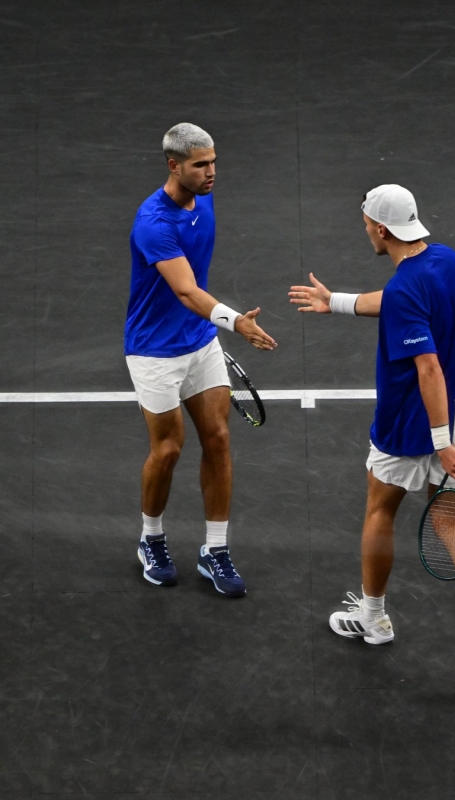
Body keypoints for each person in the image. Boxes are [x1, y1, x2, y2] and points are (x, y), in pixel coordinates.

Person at [288, 184, 455, 684]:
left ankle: (373, 618)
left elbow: (427, 366)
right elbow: (396, 303)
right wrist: (335, 301)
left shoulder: (407, 286)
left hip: (411, 426)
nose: (366, 231)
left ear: (381, 229)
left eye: (367, 225)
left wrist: (439, 444)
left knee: (379, 510)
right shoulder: (450, 262)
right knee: (452, 522)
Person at [124, 122, 277, 596]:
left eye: (213, 162)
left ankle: (215, 549)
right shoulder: (153, 223)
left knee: (219, 439)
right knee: (168, 448)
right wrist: (236, 322)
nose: (211, 172)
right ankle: (151, 539)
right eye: (200, 165)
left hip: (199, 341)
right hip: (153, 351)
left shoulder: (203, 198)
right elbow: (187, 290)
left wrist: (212, 327)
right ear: (174, 166)